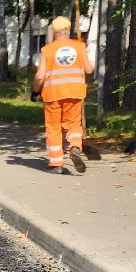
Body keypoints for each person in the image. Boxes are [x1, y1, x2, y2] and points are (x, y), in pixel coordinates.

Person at [33, 15, 93, 173]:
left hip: (53, 94)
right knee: (73, 125)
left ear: (54, 32)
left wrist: (35, 91)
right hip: (75, 93)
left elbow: (40, 76)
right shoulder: (79, 46)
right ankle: (74, 147)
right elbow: (89, 70)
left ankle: (56, 164)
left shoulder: (47, 50)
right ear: (68, 30)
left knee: (53, 128)